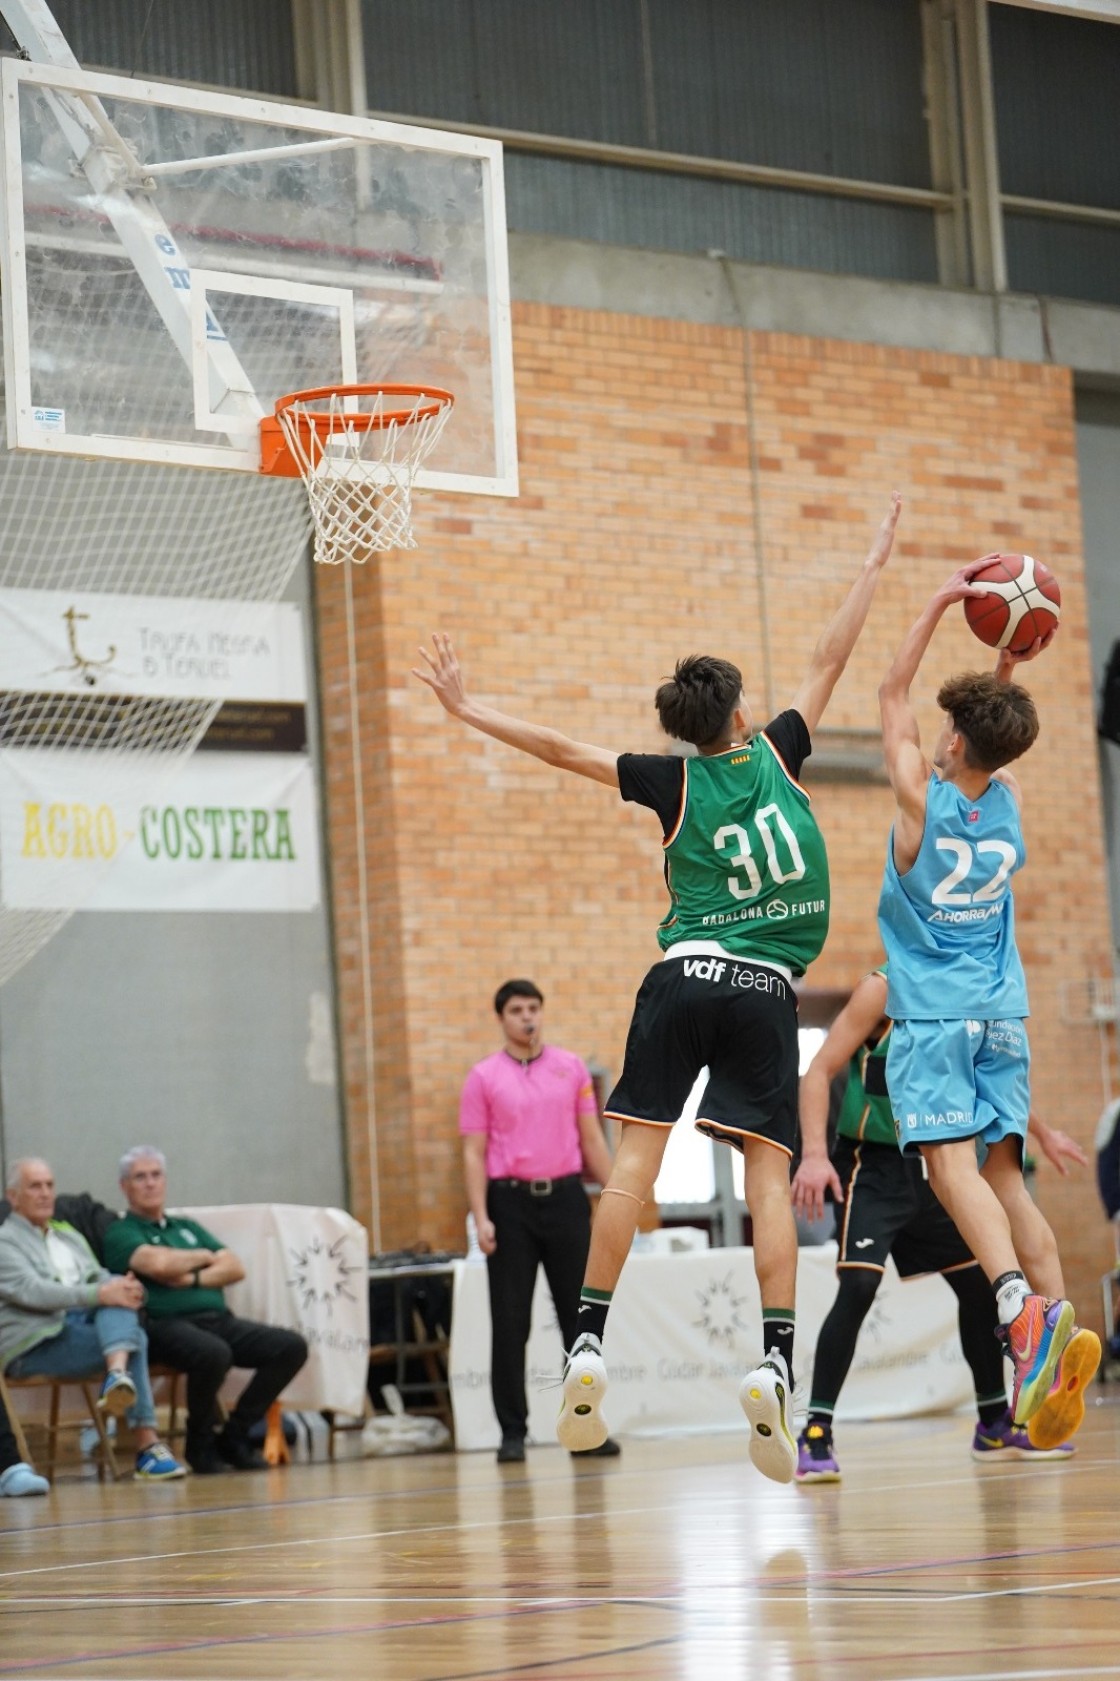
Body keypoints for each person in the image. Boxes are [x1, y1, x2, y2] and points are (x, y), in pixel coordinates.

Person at [416, 493, 902, 1483]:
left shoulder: (668, 782)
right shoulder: (777, 751)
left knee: (634, 1161)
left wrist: (466, 708)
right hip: (765, 988)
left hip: (679, 975)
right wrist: (871, 566)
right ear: (737, 712)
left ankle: (587, 1341)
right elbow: (831, 655)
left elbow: (560, 747)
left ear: (681, 731)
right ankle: (773, 1357)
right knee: (766, 1177)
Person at [876, 563, 1100, 1452]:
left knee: (947, 1166)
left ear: (955, 743)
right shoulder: (1004, 802)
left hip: (935, 1015)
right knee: (1006, 1176)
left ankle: (1015, 1306)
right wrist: (1004, 662)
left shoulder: (917, 806)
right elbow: (987, 730)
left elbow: (892, 690)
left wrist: (937, 602)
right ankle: (1042, 1356)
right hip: (1005, 1015)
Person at [791, 964, 1087, 1481]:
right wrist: (814, 1155)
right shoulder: (880, 989)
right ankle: (816, 1431)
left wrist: (1041, 1131)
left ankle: (994, 1423)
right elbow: (818, 1071)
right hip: (873, 1166)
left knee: (980, 1286)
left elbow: (991, 1081)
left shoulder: (959, 989)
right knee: (858, 1286)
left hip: (936, 1163)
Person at [460, 978, 619, 1464]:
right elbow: (473, 1152)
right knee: (510, 1323)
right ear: (501, 1019)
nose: (527, 1017)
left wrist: (617, 1197)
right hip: (510, 1205)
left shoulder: (570, 1069)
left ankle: (584, 1425)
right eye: (516, 1010)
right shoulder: (483, 1077)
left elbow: (592, 1140)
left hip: (567, 1199)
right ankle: (513, 1430)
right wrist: (481, 1216)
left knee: (581, 1319)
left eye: (533, 1008)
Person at [102, 1148, 308, 1475]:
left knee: (290, 1346)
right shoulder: (120, 1232)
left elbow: (235, 1267)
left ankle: (236, 1434)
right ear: (124, 1186)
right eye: (140, 1177)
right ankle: (200, 1444)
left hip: (217, 1320)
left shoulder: (186, 1227)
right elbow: (159, 1263)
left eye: (156, 1175)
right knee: (213, 1353)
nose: (150, 1183)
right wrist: (205, 1257)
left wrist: (191, 1276)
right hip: (161, 1325)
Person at [0, 1158, 185, 1481]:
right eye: (34, 1186)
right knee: (132, 1336)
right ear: (13, 1197)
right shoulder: (4, 1241)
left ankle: (117, 1375)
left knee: (117, 1295)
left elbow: (97, 1276)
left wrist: (127, 1288)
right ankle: (146, 1442)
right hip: (34, 1341)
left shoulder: (67, 1236)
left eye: (49, 1185)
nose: (45, 1193)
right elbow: (32, 1291)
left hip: (82, 1327)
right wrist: (101, 1294)